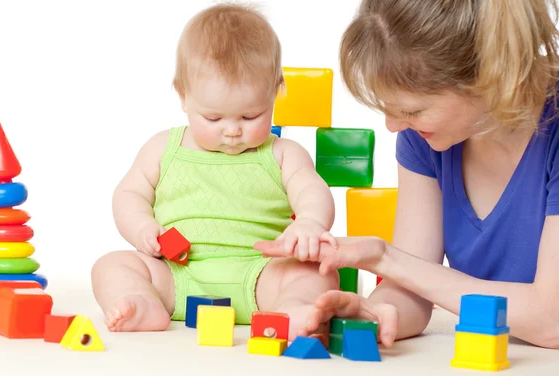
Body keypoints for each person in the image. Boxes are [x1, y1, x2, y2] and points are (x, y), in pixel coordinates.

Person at [255, 0, 559, 349]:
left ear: (490, 75)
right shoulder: (425, 139)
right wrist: (369, 314)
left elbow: (551, 319)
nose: (393, 126)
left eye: (413, 110)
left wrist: (386, 257)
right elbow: (414, 292)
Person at [90, 3, 339, 337]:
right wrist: (142, 228)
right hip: (178, 275)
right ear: (183, 96)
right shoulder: (163, 148)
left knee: (316, 273)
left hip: (260, 275)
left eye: (251, 116)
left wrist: (309, 222)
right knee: (110, 265)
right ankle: (142, 301)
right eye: (213, 118)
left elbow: (312, 191)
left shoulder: (283, 154)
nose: (232, 130)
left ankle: (292, 310)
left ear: (276, 92)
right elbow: (129, 194)